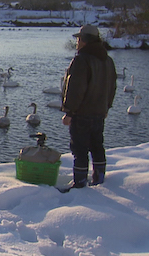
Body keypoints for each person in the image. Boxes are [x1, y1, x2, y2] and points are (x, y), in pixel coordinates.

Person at [61, 24, 117, 188]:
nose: (77, 42)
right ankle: (99, 178)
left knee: (80, 149)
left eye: (78, 38)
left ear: (84, 40)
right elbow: (112, 86)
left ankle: (79, 183)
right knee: (97, 146)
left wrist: (69, 112)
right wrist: (106, 107)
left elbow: (76, 88)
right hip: (99, 113)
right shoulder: (107, 60)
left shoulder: (82, 60)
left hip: (82, 113)